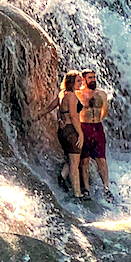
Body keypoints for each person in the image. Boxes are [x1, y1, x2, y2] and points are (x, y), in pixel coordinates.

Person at [40, 70, 85, 198]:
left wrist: (37, 116)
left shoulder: (62, 94)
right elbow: (73, 116)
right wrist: (80, 133)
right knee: (75, 165)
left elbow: (52, 108)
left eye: (81, 81)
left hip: (62, 132)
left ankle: (62, 176)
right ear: (70, 82)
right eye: (78, 81)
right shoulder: (72, 96)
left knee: (70, 159)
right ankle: (77, 193)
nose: (80, 83)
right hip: (72, 131)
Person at [77, 68, 111, 198]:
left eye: (94, 77)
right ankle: (86, 189)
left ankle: (106, 188)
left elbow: (104, 111)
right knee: (84, 160)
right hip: (83, 127)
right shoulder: (78, 94)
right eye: (90, 78)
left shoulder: (101, 94)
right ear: (84, 80)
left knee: (101, 160)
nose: (93, 80)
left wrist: (97, 121)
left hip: (97, 128)